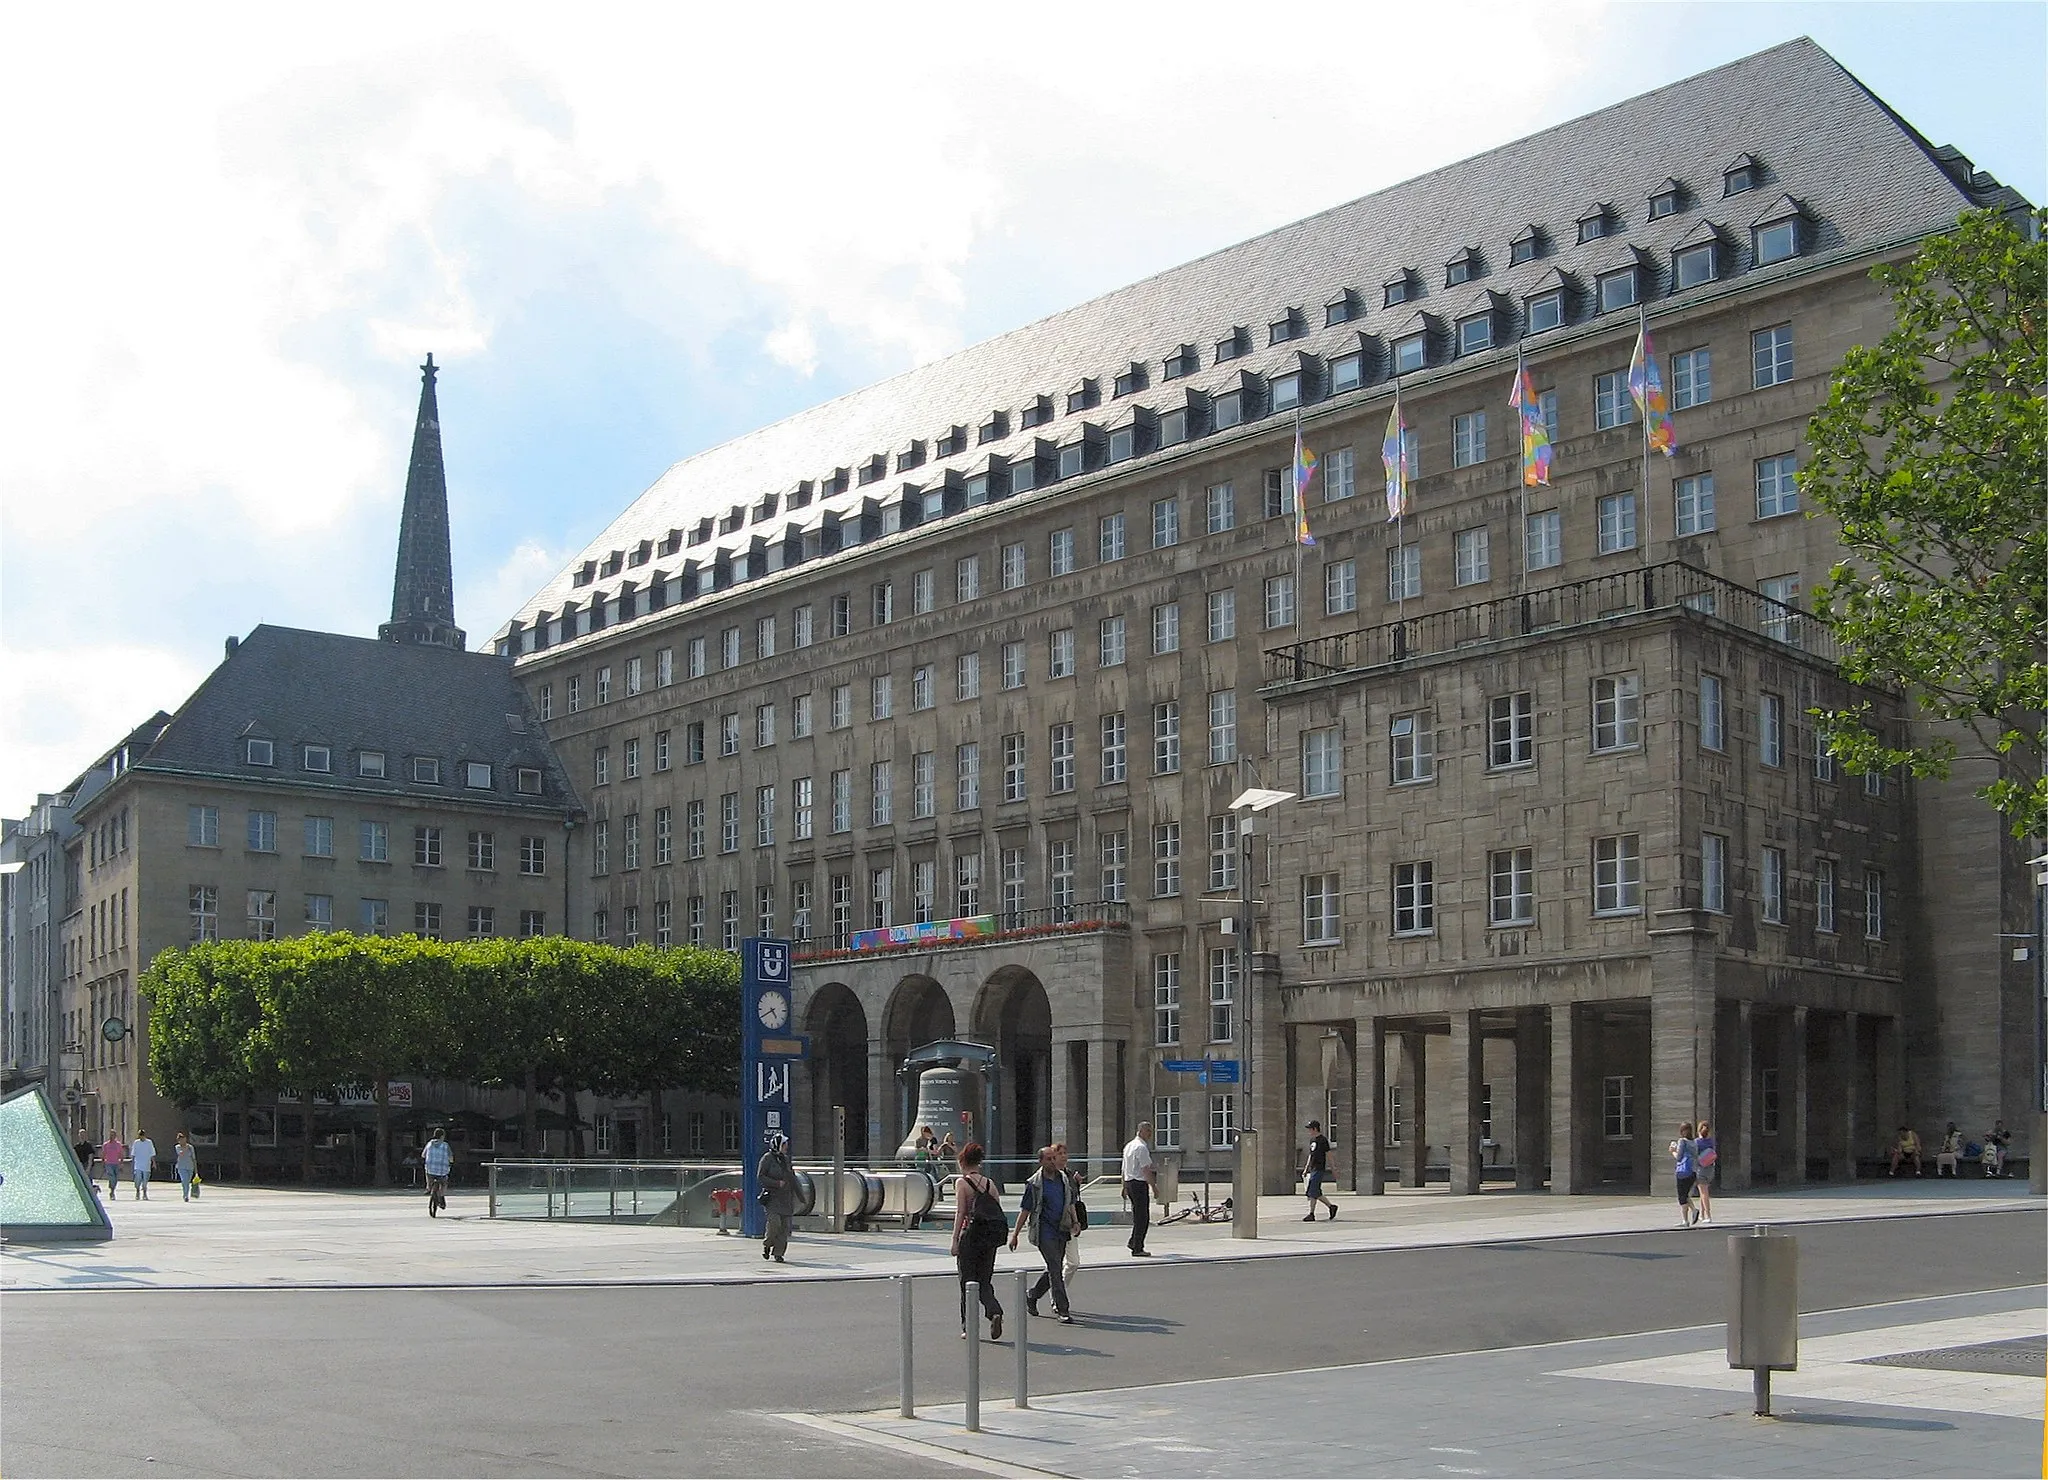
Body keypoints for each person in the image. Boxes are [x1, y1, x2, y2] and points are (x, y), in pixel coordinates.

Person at [1011, 1146, 1079, 1323]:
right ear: (1040, 1161)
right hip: (1044, 1231)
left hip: (1062, 1229)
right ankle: (1063, 1309)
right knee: (1056, 1269)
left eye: (1053, 1158)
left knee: (1053, 1267)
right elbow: (1025, 1210)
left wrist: (1075, 1221)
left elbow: (1070, 1202)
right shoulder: (1034, 1184)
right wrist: (1015, 1234)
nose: (1052, 1161)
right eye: (1048, 1159)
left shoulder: (1063, 1179)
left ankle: (1032, 1295)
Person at [949, 1142, 1005, 1341]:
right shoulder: (990, 1184)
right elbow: (997, 1209)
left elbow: (961, 1212)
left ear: (963, 1162)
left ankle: (968, 1326)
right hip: (988, 1239)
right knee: (984, 1281)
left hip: (970, 1236)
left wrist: (955, 1239)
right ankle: (994, 1309)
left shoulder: (962, 1183)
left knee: (967, 1282)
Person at [757, 1133, 796, 1262]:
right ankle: (767, 1245)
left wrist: (801, 1196)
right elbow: (761, 1176)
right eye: (784, 1144)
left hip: (786, 1198)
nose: (786, 1147)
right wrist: (776, 1183)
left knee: (784, 1228)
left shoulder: (786, 1160)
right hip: (773, 1198)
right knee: (774, 1224)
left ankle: (779, 1253)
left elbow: (793, 1178)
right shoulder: (767, 1158)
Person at [1050, 1141, 1083, 1293]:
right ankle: (1058, 1297)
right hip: (1054, 1225)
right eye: (1059, 1154)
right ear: (1053, 1157)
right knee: (1055, 1264)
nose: (1063, 1156)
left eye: (1065, 1153)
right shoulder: (1048, 1176)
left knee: (1073, 1262)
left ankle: (1045, 1292)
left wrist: (1076, 1221)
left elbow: (1072, 1201)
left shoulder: (1070, 1174)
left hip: (1069, 1224)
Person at [1121, 1121, 1155, 1256]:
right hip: (1139, 1184)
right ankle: (1137, 1247)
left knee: (1137, 1216)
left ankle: (1133, 1241)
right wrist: (1154, 1187)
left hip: (1130, 1182)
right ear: (1141, 1131)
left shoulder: (1129, 1146)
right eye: (1148, 1131)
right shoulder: (1141, 1147)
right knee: (1143, 1218)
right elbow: (1146, 1170)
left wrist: (1124, 1186)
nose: (1150, 1134)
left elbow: (1124, 1168)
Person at [1302, 1119, 1338, 1221]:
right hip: (1313, 1168)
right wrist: (1306, 1168)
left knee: (1312, 1190)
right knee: (1315, 1192)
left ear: (1315, 1129)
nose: (1309, 1131)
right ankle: (1331, 1207)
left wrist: (1333, 1169)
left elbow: (1329, 1155)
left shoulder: (1323, 1140)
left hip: (1319, 1168)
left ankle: (1312, 1213)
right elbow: (1311, 1155)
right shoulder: (1312, 1140)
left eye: (1310, 1129)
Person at [1668, 1122, 1697, 1227]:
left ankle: (1686, 1219)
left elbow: (1679, 1158)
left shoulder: (1682, 1141)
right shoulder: (1694, 1142)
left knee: (1682, 1196)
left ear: (1682, 1131)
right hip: (1693, 1171)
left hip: (1683, 1172)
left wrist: (1672, 1151)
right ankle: (1692, 1212)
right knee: (1686, 1195)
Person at [422, 1126, 453, 1216]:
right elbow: (451, 1157)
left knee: (428, 1173)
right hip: (442, 1170)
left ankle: (428, 1187)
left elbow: (423, 1155)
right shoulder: (445, 1145)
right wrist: (451, 1161)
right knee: (444, 1183)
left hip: (430, 1169)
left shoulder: (429, 1144)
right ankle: (442, 1196)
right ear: (442, 1136)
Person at [1691, 1120, 1716, 1224]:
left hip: (1701, 1169)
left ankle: (1708, 1215)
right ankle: (1702, 1214)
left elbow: (1694, 1155)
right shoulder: (1711, 1141)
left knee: (1704, 1193)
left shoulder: (1696, 1142)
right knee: (1703, 1192)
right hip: (1710, 1169)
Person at [129, 1130, 156, 1200]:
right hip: (138, 1165)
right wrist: (132, 1163)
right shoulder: (136, 1143)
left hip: (146, 1165)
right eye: (139, 1135)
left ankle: (144, 1193)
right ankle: (137, 1191)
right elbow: (133, 1154)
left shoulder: (149, 1142)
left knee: (145, 1181)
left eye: (142, 1135)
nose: (141, 1137)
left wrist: (154, 1163)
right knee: (137, 1180)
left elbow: (152, 1153)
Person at [173, 1131, 200, 1202]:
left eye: (183, 1139)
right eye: (180, 1140)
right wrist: (185, 1148)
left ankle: (187, 1193)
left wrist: (196, 1170)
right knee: (184, 1180)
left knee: (188, 1181)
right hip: (181, 1167)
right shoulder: (177, 1147)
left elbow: (193, 1158)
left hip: (190, 1167)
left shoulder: (191, 1147)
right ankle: (185, 1195)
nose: (182, 1141)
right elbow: (180, 1154)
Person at [100, 1133, 125, 1199]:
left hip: (116, 1163)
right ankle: (112, 1191)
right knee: (112, 1177)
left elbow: (121, 1154)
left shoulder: (118, 1145)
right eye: (111, 1135)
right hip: (108, 1163)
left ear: (115, 1136)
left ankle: (112, 1189)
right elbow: (103, 1153)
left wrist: (122, 1163)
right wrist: (103, 1162)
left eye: (113, 1135)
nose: (112, 1137)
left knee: (115, 1178)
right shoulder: (106, 1145)